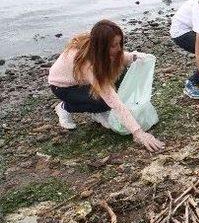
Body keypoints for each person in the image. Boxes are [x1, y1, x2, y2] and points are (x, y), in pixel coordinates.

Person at [48, 20, 165, 153]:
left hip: (83, 80)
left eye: (119, 43)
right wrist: (139, 133)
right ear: (102, 47)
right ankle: (65, 107)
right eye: (114, 45)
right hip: (63, 87)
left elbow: (119, 58)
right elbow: (113, 100)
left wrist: (136, 57)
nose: (119, 48)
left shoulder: (97, 47)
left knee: (123, 74)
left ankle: (98, 108)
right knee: (105, 101)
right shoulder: (88, 63)